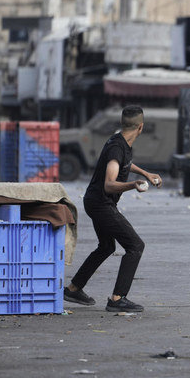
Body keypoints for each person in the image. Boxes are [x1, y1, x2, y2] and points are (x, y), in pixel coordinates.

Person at [63, 105, 162, 312]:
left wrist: (145, 173)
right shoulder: (118, 147)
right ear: (141, 127)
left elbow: (125, 164)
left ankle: (73, 289)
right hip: (101, 203)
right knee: (135, 246)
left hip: (94, 201)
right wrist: (133, 185)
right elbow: (109, 183)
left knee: (107, 247)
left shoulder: (120, 142)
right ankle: (117, 299)